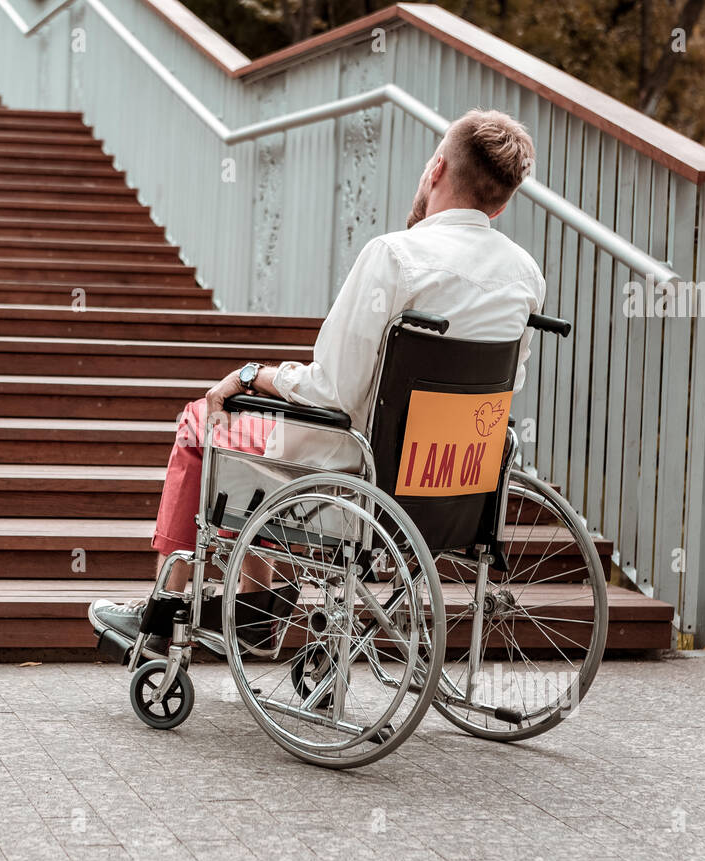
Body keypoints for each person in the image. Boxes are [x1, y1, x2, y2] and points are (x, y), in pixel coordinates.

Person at [89, 108, 546, 643]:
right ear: (504, 199)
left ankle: (165, 614)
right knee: (260, 440)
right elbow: (504, 388)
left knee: (203, 424)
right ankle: (256, 604)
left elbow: (332, 390)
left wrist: (252, 375)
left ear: (436, 170)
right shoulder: (524, 275)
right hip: (454, 484)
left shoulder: (395, 256)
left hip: (359, 477)